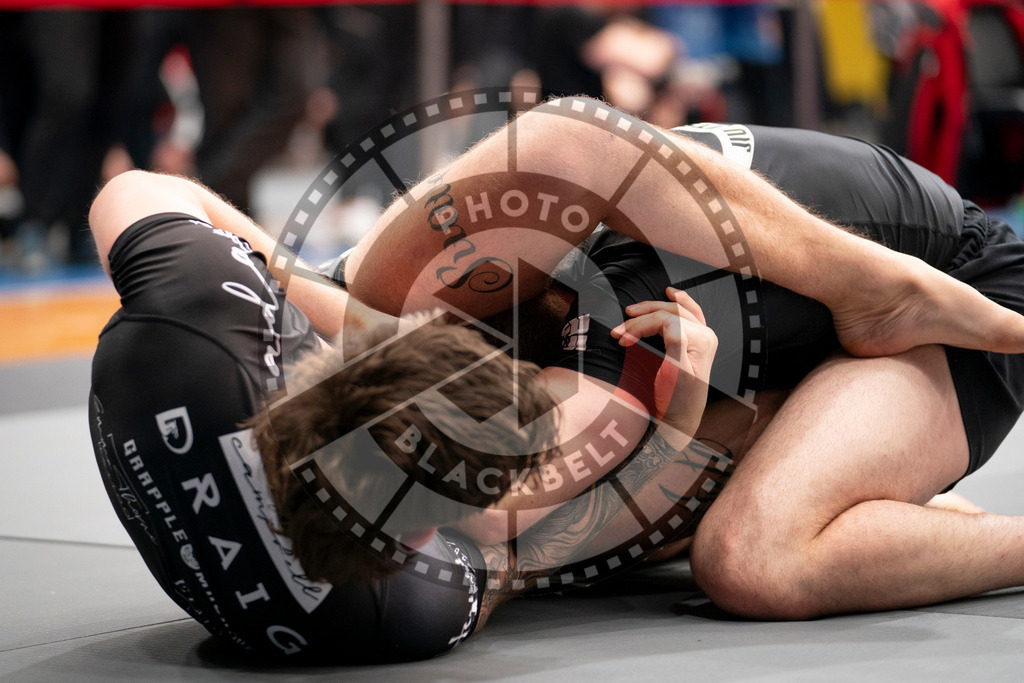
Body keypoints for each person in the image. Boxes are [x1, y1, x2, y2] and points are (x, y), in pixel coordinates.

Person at [86, 96, 1024, 660]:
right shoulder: (449, 555)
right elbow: (136, 200)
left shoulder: (292, 313)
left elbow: (572, 139)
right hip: (756, 353)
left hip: (955, 270)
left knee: (422, 265)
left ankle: (886, 293)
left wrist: (290, 278)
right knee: (748, 557)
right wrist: (683, 423)